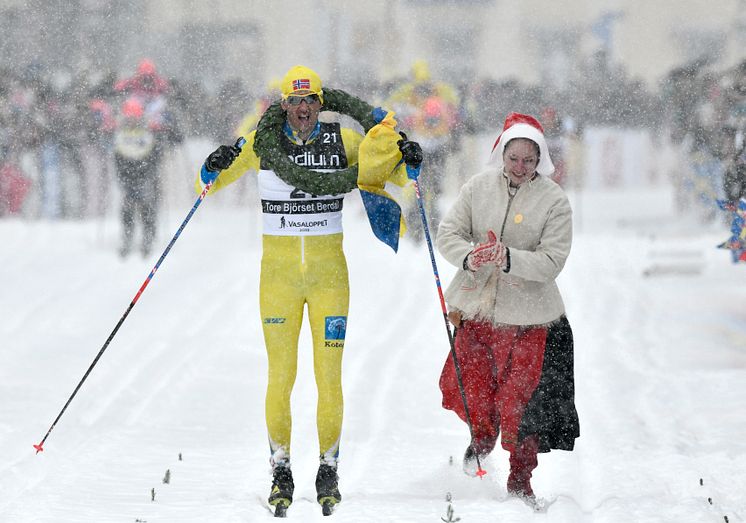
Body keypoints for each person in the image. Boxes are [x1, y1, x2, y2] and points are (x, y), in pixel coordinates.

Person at [195, 65, 422, 516]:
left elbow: (396, 174)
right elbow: (208, 184)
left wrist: (409, 155)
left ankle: (328, 468)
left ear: (322, 103)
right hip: (277, 280)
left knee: (329, 377)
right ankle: (280, 468)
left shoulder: (344, 142)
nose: (303, 109)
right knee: (281, 377)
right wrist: (212, 162)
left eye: (311, 101)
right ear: (283, 106)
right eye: (295, 102)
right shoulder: (261, 143)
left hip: (329, 279)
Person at [435, 112, 579, 504]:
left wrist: (509, 257)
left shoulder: (554, 201)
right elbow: (449, 233)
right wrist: (470, 257)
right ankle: (481, 436)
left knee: (520, 402)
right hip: (477, 312)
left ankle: (520, 479)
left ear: (540, 161)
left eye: (529, 161)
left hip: (530, 320)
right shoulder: (477, 187)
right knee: (473, 388)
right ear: (502, 153)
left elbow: (553, 260)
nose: (520, 167)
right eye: (514, 158)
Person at [113, 97, 160, 257]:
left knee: (146, 205)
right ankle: (127, 237)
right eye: (129, 116)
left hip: (144, 174)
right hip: (127, 175)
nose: (132, 120)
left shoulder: (147, 132)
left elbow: (153, 155)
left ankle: (148, 236)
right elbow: (117, 157)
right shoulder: (120, 133)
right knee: (127, 207)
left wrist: (148, 172)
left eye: (134, 116)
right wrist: (121, 174)